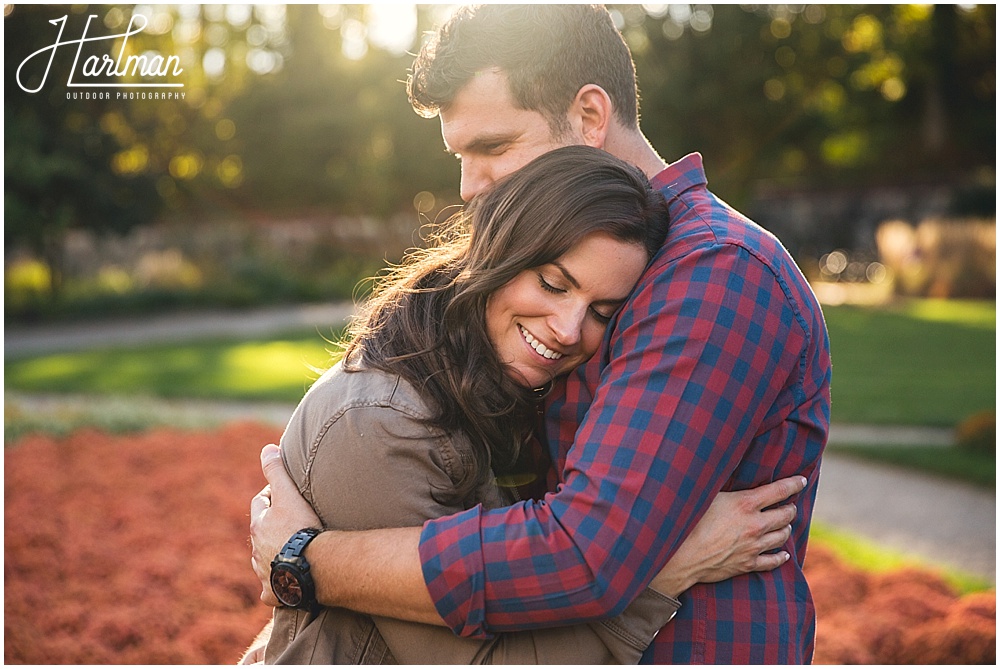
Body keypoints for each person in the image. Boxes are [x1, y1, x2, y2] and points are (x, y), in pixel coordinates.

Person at [249, 4, 830, 664]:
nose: (470, 187)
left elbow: (585, 551)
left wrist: (308, 561)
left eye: (494, 147)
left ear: (588, 116)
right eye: (461, 155)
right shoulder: (619, 265)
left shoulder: (715, 273)